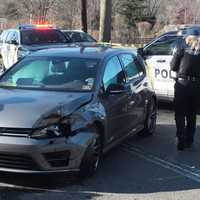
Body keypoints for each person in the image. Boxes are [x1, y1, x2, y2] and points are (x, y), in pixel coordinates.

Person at [170, 30, 200, 151]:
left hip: (182, 85)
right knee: (192, 114)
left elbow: (173, 66)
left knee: (180, 113)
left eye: (186, 37)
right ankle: (189, 140)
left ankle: (181, 138)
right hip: (197, 86)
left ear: (189, 38)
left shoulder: (181, 50)